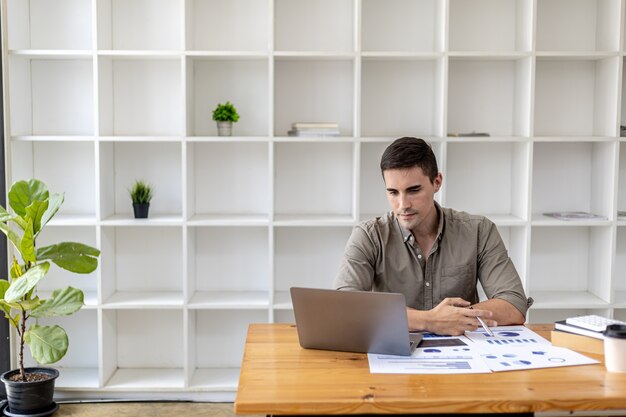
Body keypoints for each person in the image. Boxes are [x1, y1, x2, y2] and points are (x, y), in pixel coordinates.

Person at [334, 137, 532, 336]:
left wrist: (455, 319)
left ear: (437, 182)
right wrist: (431, 321)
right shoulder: (368, 236)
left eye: (413, 190)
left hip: (464, 355)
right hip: (393, 352)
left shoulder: (479, 231)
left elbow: (513, 304)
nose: (403, 204)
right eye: (393, 192)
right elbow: (345, 308)